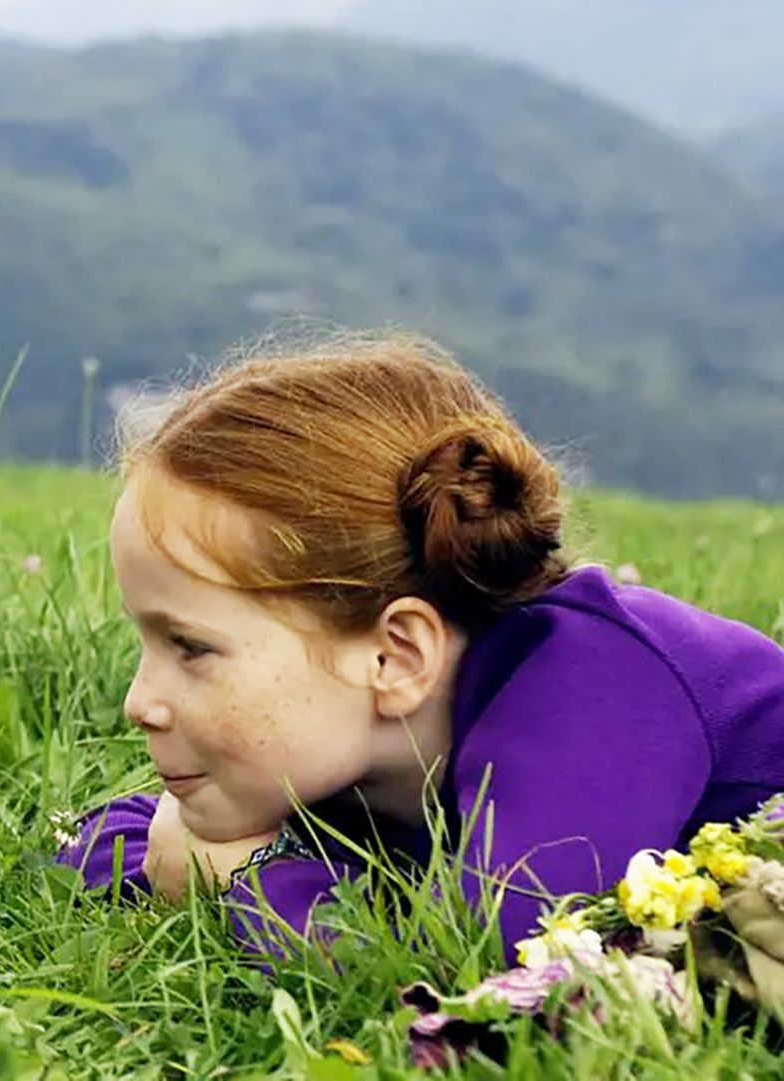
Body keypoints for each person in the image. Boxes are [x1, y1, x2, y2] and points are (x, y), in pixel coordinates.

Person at [53, 330, 784, 962]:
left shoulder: (594, 688)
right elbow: (113, 838)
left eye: (190, 647)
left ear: (394, 655)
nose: (138, 702)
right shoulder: (351, 745)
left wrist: (241, 883)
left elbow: (481, 953)